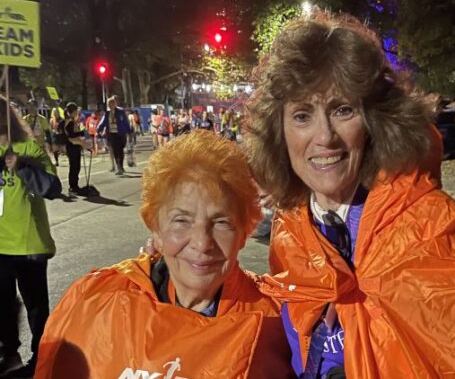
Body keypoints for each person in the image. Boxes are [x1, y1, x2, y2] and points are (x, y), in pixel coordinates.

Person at [244, 11, 455, 378]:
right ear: (279, 131)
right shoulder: (292, 228)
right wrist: (168, 264)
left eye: (343, 110)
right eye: (301, 115)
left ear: (375, 120)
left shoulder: (431, 229)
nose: (324, 136)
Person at [35, 131, 293, 379]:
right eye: (181, 220)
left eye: (221, 222)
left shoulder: (278, 323)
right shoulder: (94, 301)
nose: (202, 243)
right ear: (156, 229)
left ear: (243, 232)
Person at [0, 100, 61, 377]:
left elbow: (52, 188)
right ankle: (9, 353)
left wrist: (23, 167)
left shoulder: (30, 148)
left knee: (37, 307)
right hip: (0, 244)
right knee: (2, 304)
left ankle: (43, 357)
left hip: (29, 242)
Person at [97, 96, 131, 175]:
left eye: (112, 103)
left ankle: (121, 165)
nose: (110, 105)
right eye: (109, 104)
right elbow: (103, 122)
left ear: (115, 104)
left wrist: (129, 131)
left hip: (121, 133)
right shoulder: (107, 113)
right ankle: (119, 167)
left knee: (120, 150)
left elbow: (125, 121)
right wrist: (98, 129)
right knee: (115, 150)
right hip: (112, 134)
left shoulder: (121, 111)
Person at [64, 103, 86, 195]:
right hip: (71, 146)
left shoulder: (74, 120)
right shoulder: (69, 122)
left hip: (76, 146)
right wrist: (81, 133)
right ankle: (72, 186)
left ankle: (75, 185)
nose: (77, 112)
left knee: (77, 166)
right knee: (74, 167)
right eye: (76, 110)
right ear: (72, 112)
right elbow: (71, 135)